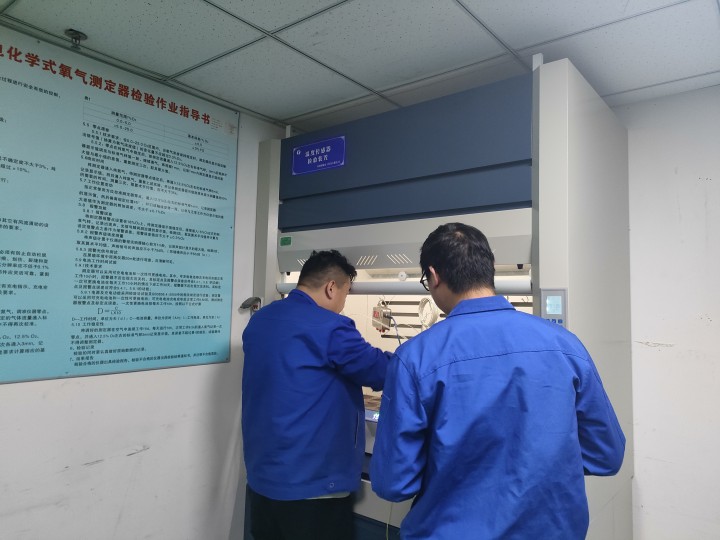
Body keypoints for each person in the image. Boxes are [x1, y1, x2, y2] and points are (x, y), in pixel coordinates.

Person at [370, 223, 625, 540]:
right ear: (488, 268)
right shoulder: (565, 345)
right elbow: (607, 455)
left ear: (433, 276)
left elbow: (394, 483)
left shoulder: (414, 358)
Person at [242, 249, 392, 540]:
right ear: (331, 287)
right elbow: (380, 371)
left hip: (263, 481)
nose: (343, 304)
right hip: (313, 489)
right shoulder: (331, 327)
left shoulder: (261, 320)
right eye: (346, 294)